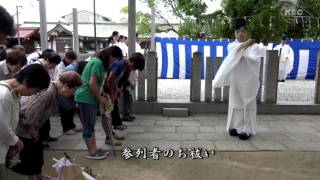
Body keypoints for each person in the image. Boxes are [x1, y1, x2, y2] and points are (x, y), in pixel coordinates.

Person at [12, 71, 82, 180]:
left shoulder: (54, 90)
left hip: (34, 128)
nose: (73, 93)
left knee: (38, 157)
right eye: (73, 90)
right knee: (31, 159)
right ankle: (34, 178)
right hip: (26, 129)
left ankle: (39, 176)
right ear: (65, 85)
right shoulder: (48, 93)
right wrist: (33, 132)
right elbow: (30, 113)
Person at [213, 18, 261, 140]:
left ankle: (247, 129)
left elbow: (254, 60)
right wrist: (246, 44)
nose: (240, 33)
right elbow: (234, 53)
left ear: (248, 33)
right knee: (235, 103)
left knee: (247, 103)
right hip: (236, 79)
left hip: (248, 79)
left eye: (243, 31)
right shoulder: (231, 45)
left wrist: (246, 49)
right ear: (234, 33)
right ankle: (236, 126)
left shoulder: (256, 47)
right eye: (238, 31)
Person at [0, 64, 50, 180]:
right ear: (26, 82)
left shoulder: (14, 94)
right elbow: (1, 127)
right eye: (35, 90)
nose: (34, 94)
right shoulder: (3, 95)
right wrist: (17, 142)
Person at [75, 46, 122, 159]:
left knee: (90, 124)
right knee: (88, 125)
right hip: (86, 97)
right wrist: (100, 98)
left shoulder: (98, 62)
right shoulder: (98, 63)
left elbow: (97, 84)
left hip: (89, 97)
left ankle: (94, 149)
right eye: (114, 59)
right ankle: (92, 152)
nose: (114, 62)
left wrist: (102, 94)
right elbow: (92, 83)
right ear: (110, 55)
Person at [107, 52, 145, 130]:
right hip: (106, 87)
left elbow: (122, 81)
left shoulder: (127, 68)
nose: (135, 70)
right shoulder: (120, 64)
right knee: (108, 111)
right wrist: (112, 94)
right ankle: (110, 133)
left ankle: (115, 126)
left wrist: (117, 91)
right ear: (133, 63)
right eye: (136, 67)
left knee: (114, 106)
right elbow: (109, 80)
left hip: (113, 87)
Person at [54, 50, 82, 135]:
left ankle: (71, 126)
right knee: (65, 110)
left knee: (71, 108)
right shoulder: (60, 66)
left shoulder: (69, 65)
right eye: (71, 59)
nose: (72, 62)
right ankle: (66, 128)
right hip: (62, 89)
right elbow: (60, 79)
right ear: (66, 57)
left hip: (69, 88)